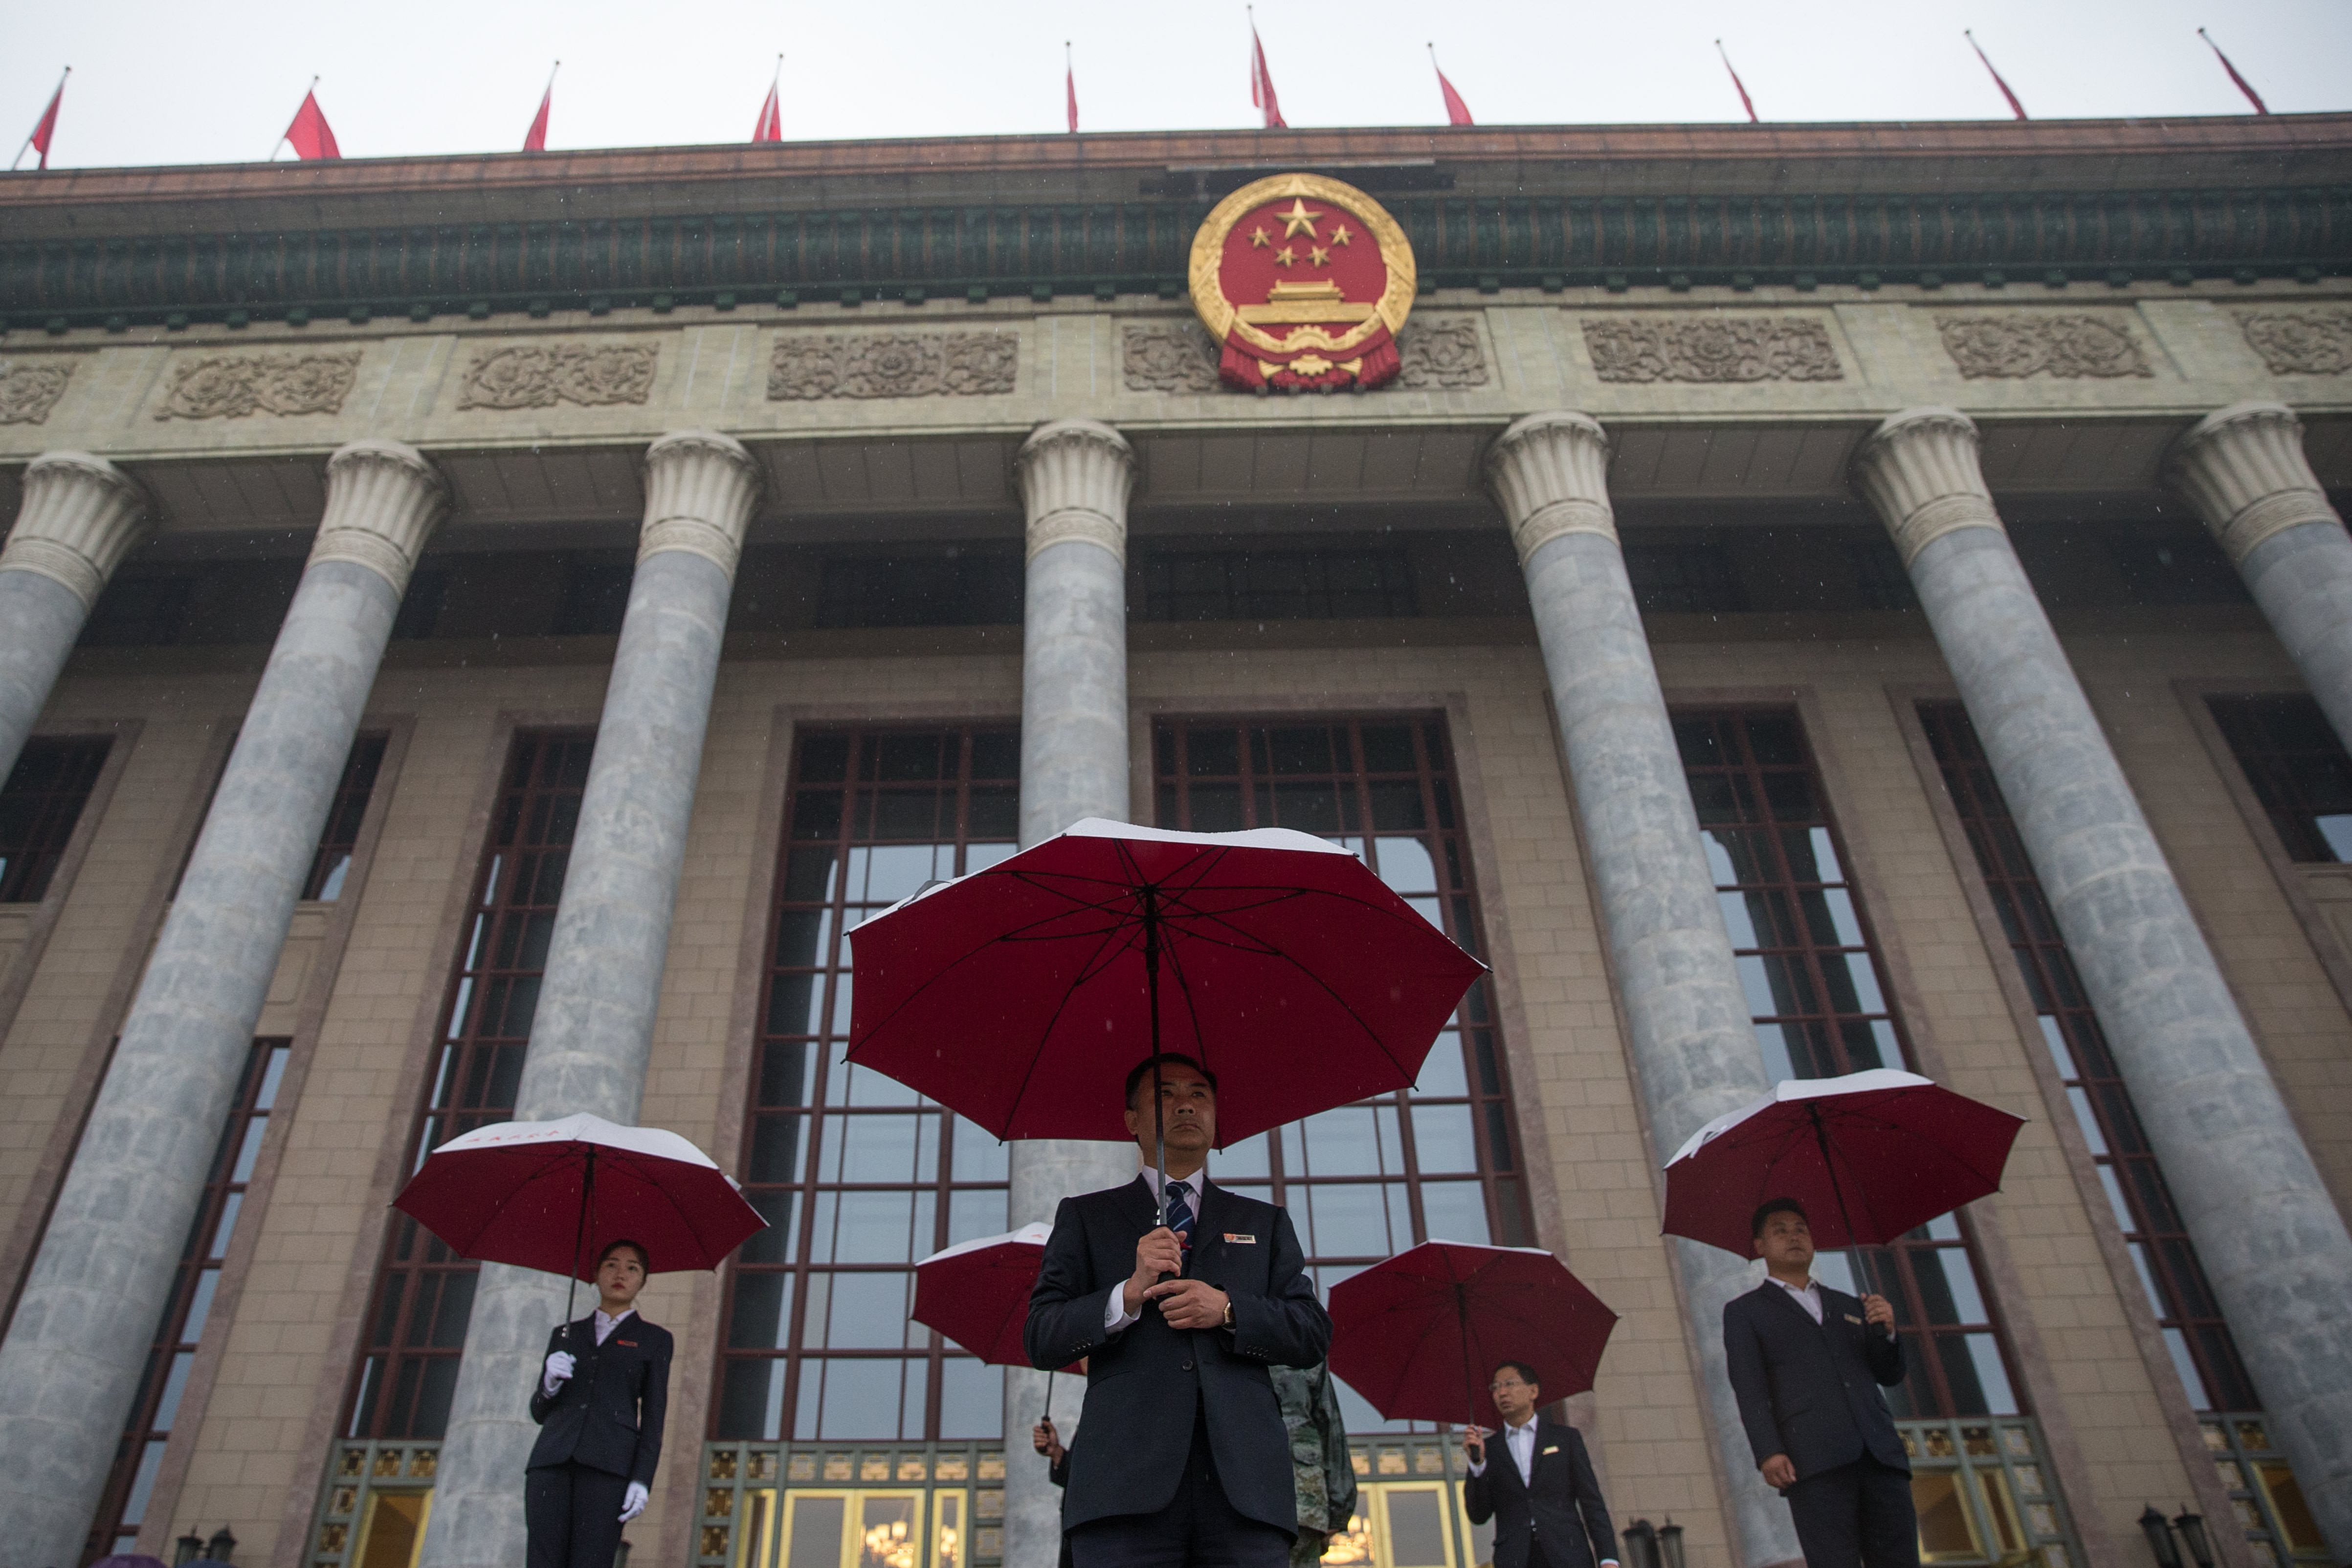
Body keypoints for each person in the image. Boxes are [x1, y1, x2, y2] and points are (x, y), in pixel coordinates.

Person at [1026, 1053, 1332, 1568]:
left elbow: (1310, 1333)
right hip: (1122, 1492)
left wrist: (1230, 1310)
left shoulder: (1264, 1222)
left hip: (1245, 1493)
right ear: (1131, 1121)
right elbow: (1041, 1336)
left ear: (1214, 1116)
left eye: (1199, 1094)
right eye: (1164, 1095)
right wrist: (1125, 1294)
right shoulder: (1086, 1217)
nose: (1185, 1105)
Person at [1723, 1199, 1917, 1568]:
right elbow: (1749, 1388)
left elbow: (1889, 1374)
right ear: (1760, 1246)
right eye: (1780, 1230)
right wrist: (1768, 1451)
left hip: (1879, 1455)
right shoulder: (1746, 1311)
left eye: (1800, 1228)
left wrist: (1888, 1332)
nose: (1793, 1236)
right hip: (1813, 1462)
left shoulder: (1851, 1305)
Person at [527, 1238, 675, 1568]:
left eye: (632, 1267)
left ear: (643, 1281)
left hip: (609, 1467)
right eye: (611, 1264)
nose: (620, 1273)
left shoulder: (655, 1339)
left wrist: (641, 1478)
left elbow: (654, 1416)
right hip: (551, 1461)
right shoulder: (566, 1333)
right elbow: (539, 1411)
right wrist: (549, 1383)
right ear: (595, 1274)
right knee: (542, 1560)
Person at [1459, 1361, 1617, 1568]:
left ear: (1533, 1391)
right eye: (1495, 1388)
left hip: (1567, 1553)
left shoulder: (1565, 1439)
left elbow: (1592, 1503)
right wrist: (1478, 1465)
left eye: (1510, 1384)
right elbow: (1478, 1515)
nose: (1502, 1393)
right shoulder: (1490, 1449)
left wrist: (1609, 1559)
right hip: (1516, 1557)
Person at [1270, 1363, 1357, 1568]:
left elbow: (1329, 1426)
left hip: (1251, 1500)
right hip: (1303, 1498)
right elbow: (1329, 1426)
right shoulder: (1301, 1347)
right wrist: (1339, 1508)